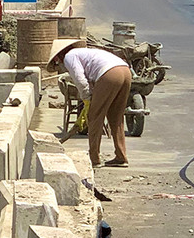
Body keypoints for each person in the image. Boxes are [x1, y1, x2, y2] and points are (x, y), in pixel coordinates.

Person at [47, 39, 131, 169]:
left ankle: (94, 159)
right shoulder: (84, 53)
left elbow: (80, 81)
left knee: (94, 116)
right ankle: (121, 156)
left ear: (58, 57)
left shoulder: (70, 57)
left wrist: (86, 99)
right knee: (116, 117)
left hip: (109, 74)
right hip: (125, 71)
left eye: (57, 63)